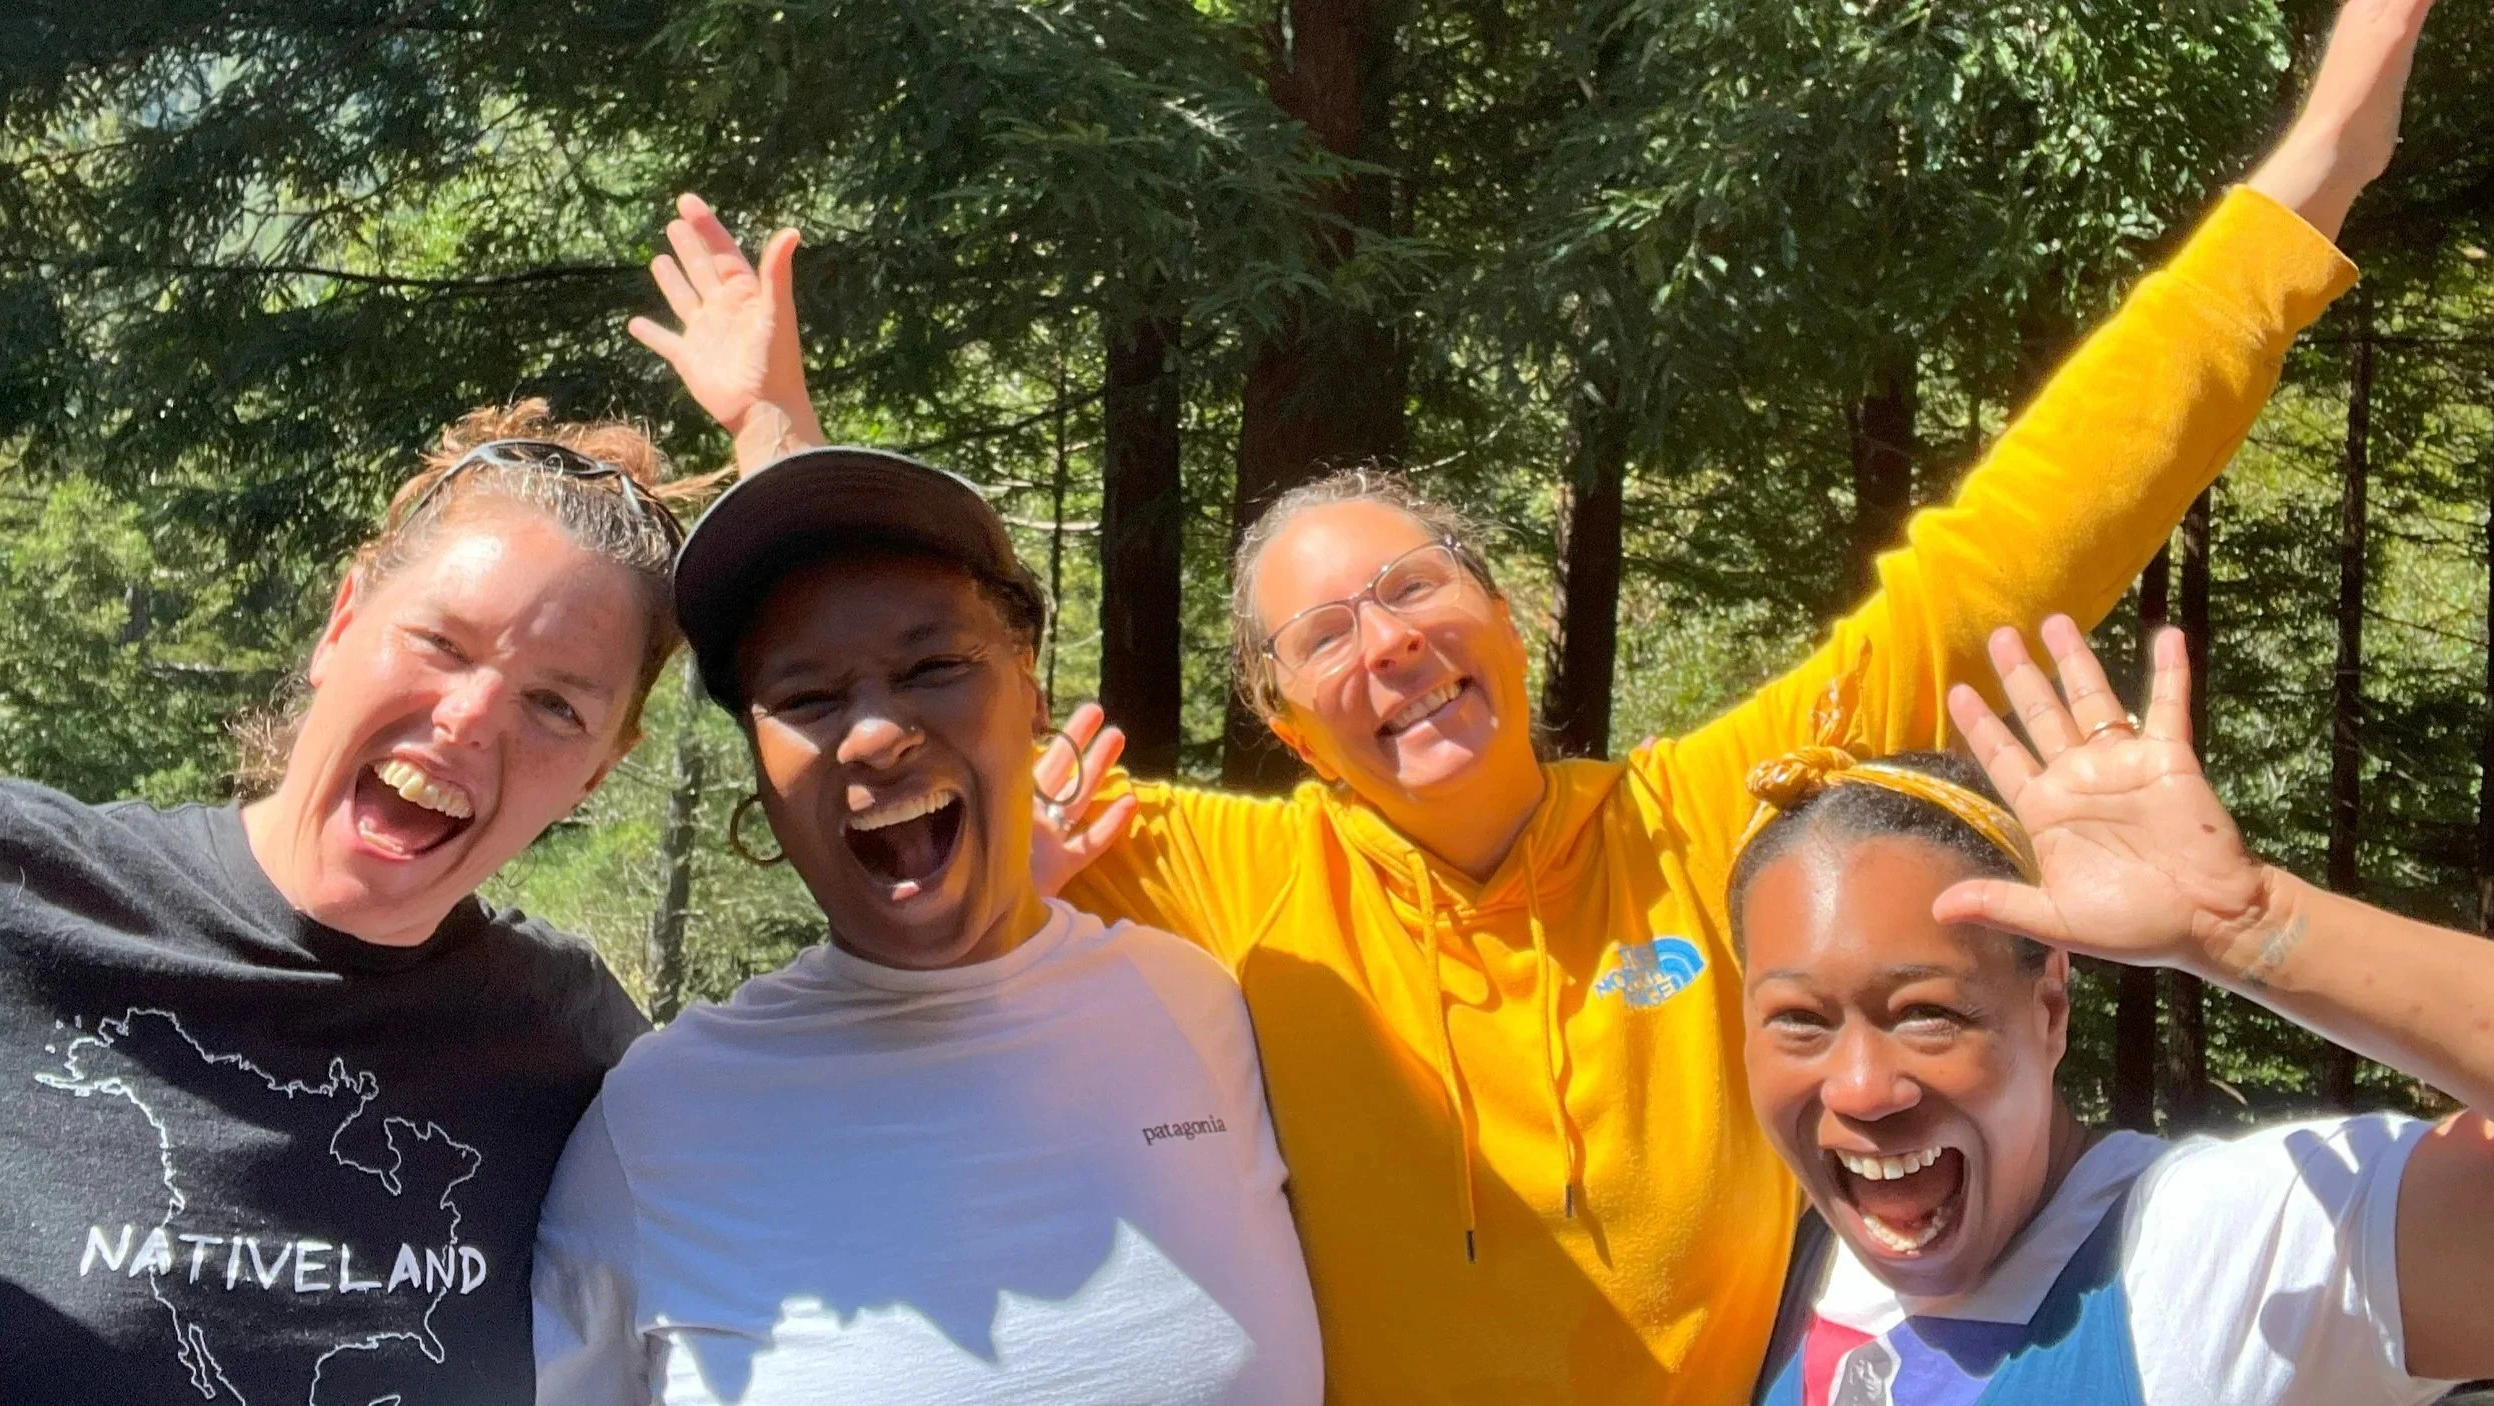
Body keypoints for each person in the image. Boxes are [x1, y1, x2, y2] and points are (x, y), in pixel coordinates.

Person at [629, 5, 2430, 1396]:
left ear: (1509, 616)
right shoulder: (1212, 879)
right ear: (1286, 722)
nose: (1386, 643)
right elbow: (911, 724)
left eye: (1416, 586)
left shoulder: (1713, 819)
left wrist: (2324, 162)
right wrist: (780, 438)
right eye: (1322, 636)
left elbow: (2019, 544)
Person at [528, 445, 1321, 1404]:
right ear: (760, 770)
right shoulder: (653, 1128)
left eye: (935, 666)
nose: (873, 734)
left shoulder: (1197, 1005)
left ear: (1031, 695)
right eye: (808, 698)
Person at [0, 402, 704, 1403]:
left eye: (556, 704)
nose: (469, 718)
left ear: (597, 772)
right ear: (341, 624)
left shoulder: (578, 1044)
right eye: (441, 642)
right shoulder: (22, 887)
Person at [1733, 615, 2494, 1402]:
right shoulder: (1771, 1275)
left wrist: (2251, 925)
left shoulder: (2211, 1255)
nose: (1860, 1089)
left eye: (1927, 1013)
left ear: (2050, 1008)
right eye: (1800, 1022)